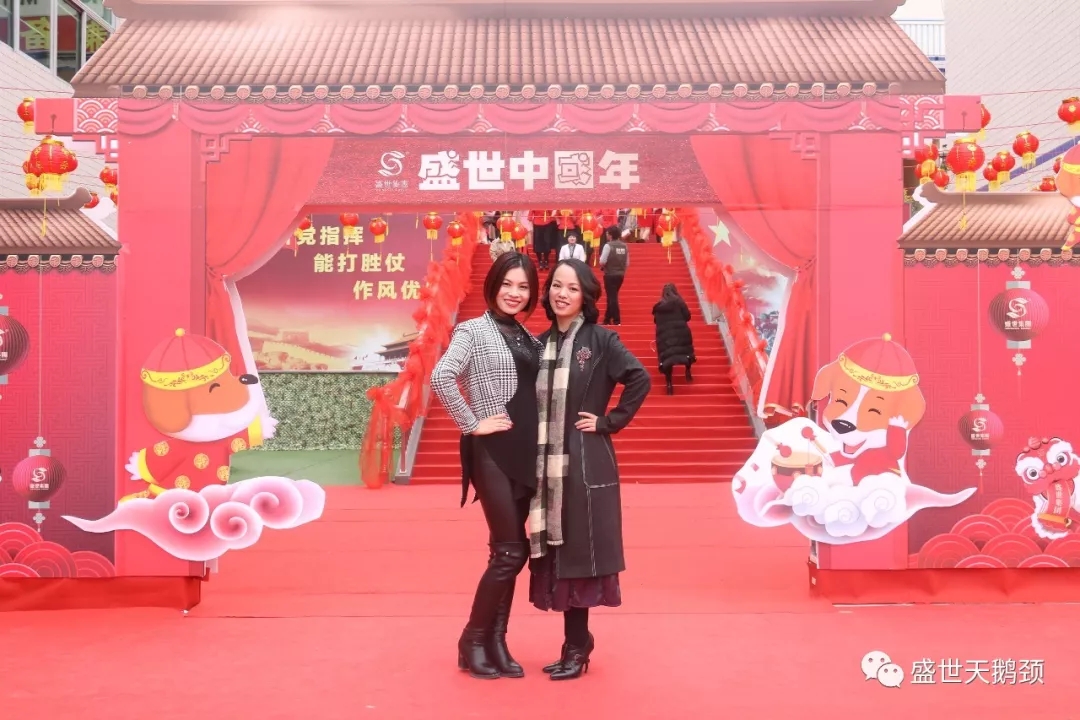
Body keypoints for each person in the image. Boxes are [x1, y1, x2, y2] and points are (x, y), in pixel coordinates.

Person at [529, 259, 651, 681]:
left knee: (578, 555)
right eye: (556, 286)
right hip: (546, 466)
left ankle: (577, 646)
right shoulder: (540, 344)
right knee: (560, 555)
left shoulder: (600, 340)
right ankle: (575, 644)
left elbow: (639, 378)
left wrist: (608, 421)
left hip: (584, 460)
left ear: (586, 296)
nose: (561, 294)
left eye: (572, 288)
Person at [430, 251, 542, 680]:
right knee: (511, 551)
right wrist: (472, 423)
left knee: (506, 551)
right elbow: (442, 376)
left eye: (524, 287)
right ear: (493, 284)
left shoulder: (528, 337)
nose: (515, 293)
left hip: (525, 454)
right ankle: (473, 639)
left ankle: (496, 641)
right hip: (493, 451)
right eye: (507, 284)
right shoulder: (472, 330)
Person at [652, 283, 696, 395]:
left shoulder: (659, 306)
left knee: (667, 358)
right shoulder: (679, 302)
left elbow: (656, 321)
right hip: (681, 332)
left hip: (665, 336)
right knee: (686, 352)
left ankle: (669, 384)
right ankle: (688, 371)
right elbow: (688, 316)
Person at [598, 226, 628, 326]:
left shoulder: (608, 246)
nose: (606, 235)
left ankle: (616, 319)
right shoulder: (624, 246)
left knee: (612, 297)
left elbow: (602, 261)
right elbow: (627, 263)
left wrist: (603, 266)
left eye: (607, 233)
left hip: (610, 274)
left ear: (610, 235)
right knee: (611, 296)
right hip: (620, 274)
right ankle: (607, 319)